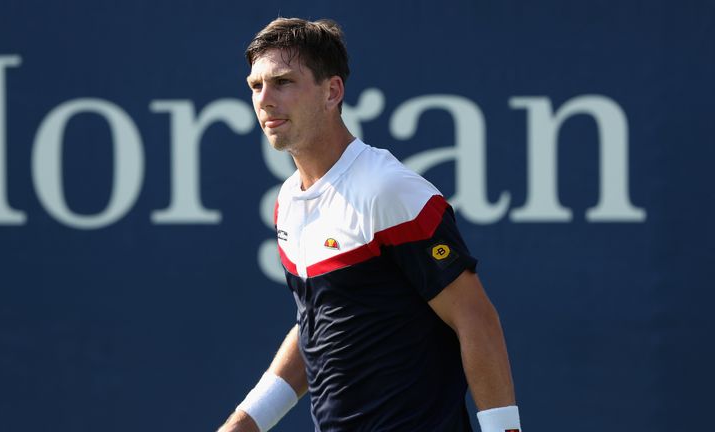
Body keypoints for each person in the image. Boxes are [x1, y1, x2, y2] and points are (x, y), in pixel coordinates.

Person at [219, 17, 521, 432]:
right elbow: (319, 325)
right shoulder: (288, 202)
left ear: (332, 91)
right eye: (256, 86)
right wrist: (245, 424)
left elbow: (476, 320)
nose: (265, 100)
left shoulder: (389, 189)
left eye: (284, 82)